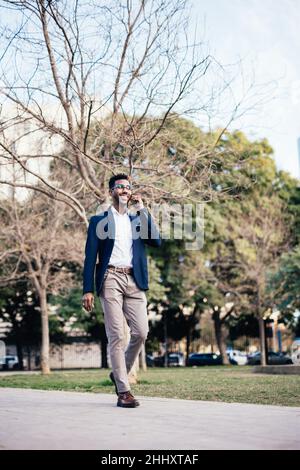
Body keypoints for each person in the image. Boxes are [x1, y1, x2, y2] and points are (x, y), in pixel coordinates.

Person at [82, 174, 161, 408]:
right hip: (110, 278)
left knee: (141, 332)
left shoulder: (138, 219)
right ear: (111, 192)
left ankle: (119, 373)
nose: (125, 190)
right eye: (120, 187)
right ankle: (124, 392)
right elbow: (90, 258)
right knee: (117, 335)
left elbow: (156, 241)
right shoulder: (99, 221)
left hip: (134, 280)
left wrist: (143, 209)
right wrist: (87, 289)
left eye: (128, 187)